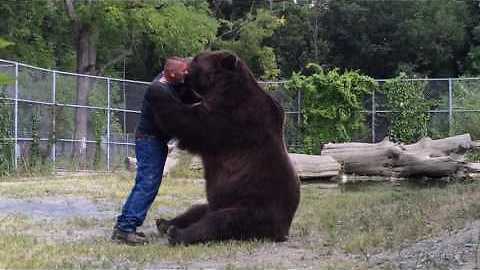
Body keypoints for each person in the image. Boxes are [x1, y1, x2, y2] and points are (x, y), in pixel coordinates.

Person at [111, 57, 189, 245]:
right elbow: (174, 120)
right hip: (149, 142)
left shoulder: (167, 80)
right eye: (183, 71)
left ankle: (123, 226)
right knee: (147, 185)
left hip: (153, 141)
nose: (187, 73)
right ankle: (125, 229)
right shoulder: (159, 91)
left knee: (145, 184)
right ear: (171, 74)